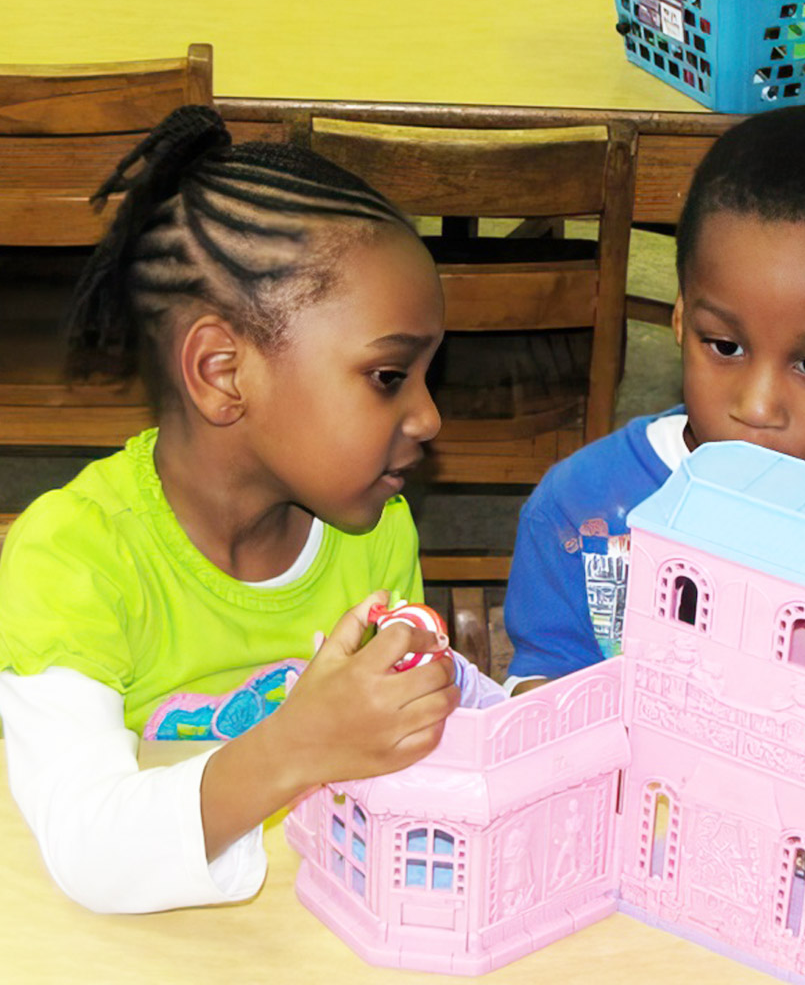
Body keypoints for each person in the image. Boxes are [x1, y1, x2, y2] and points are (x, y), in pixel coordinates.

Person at [0, 105, 499, 915]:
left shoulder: (373, 534)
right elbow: (87, 848)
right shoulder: (74, 558)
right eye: (388, 376)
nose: (429, 418)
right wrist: (298, 744)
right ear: (223, 373)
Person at [504, 104, 805, 691]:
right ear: (683, 322)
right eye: (725, 346)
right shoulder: (583, 510)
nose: (757, 406)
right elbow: (544, 683)